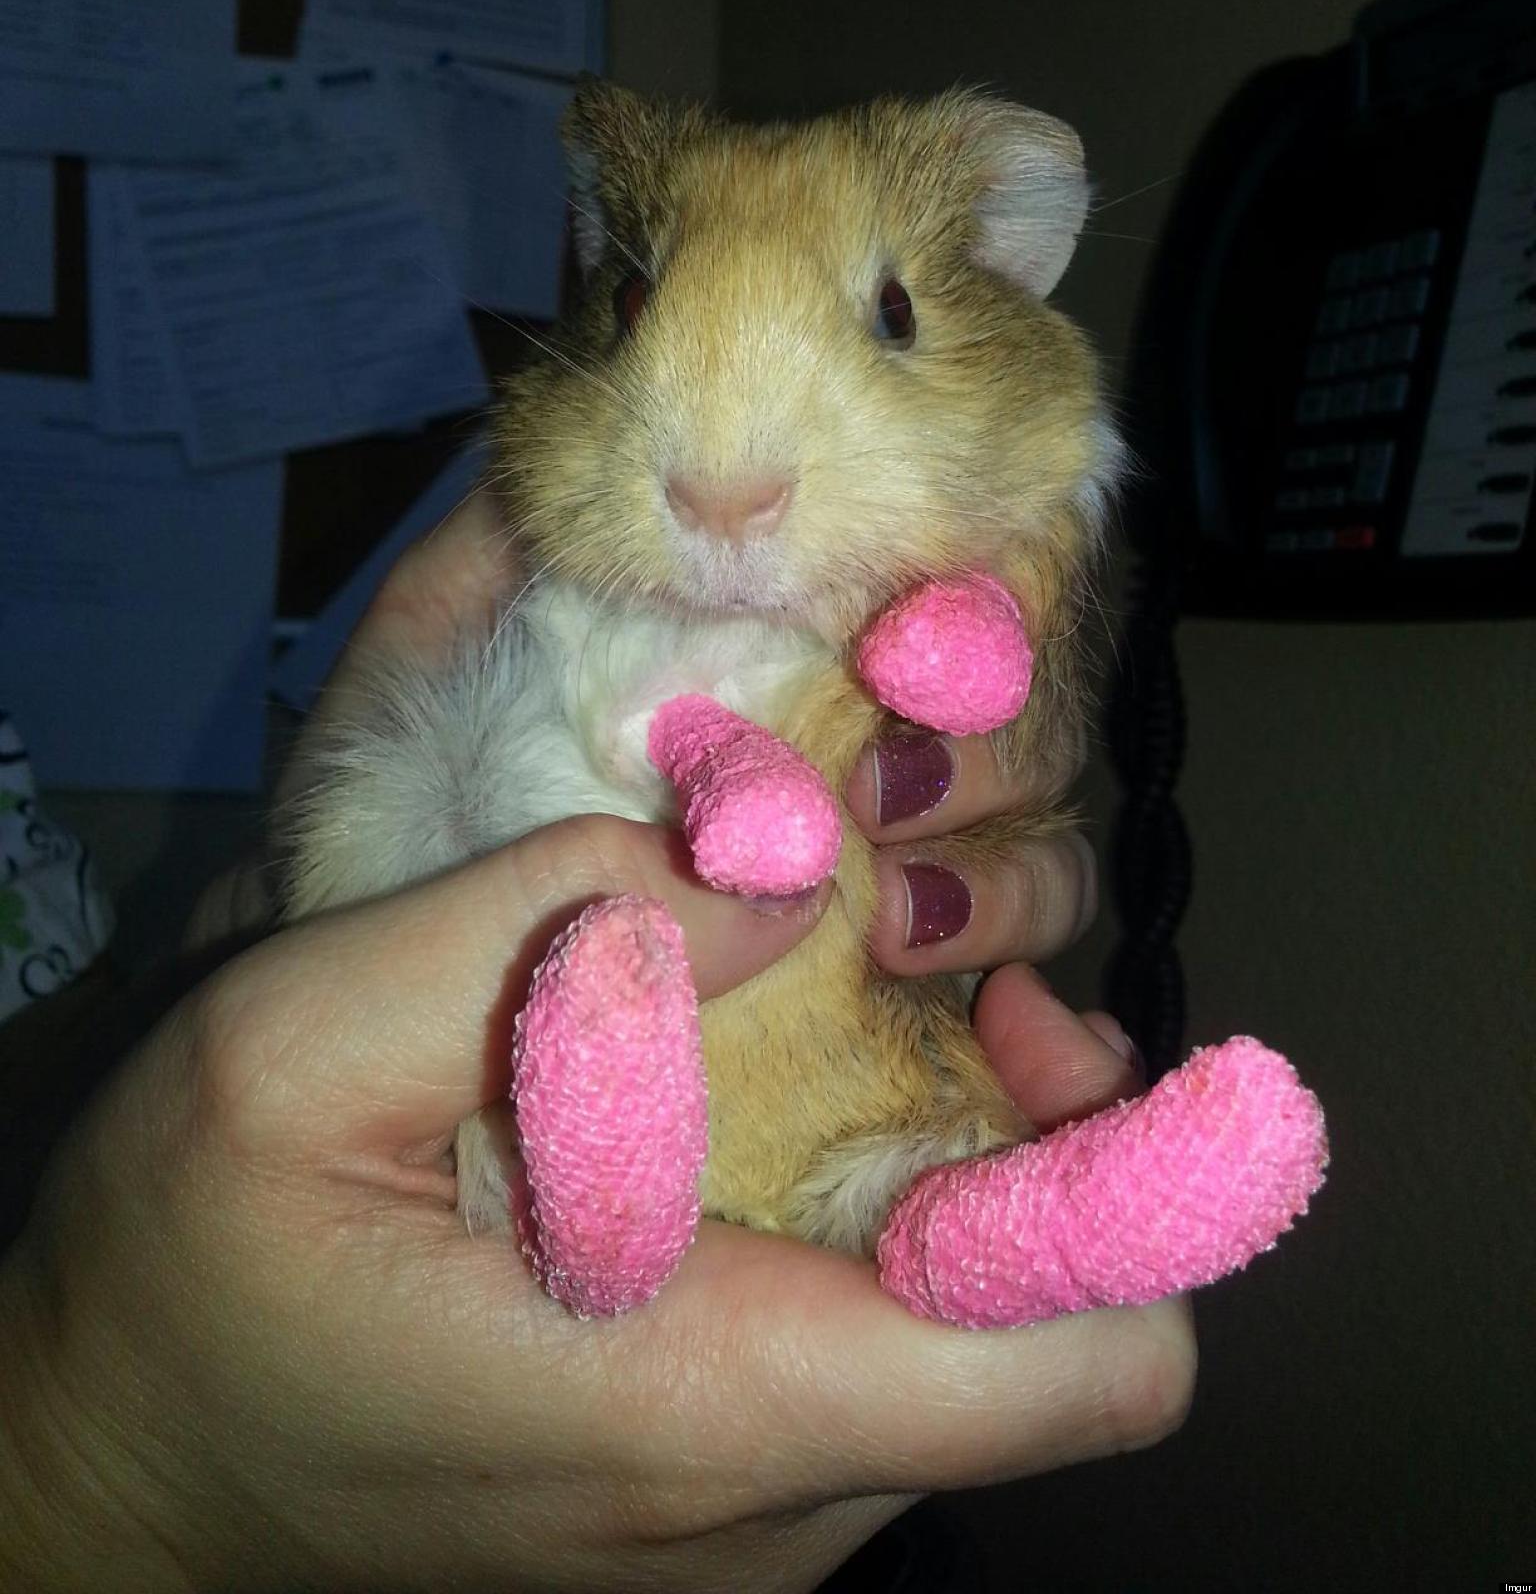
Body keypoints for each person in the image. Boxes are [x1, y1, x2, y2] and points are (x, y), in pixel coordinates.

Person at [0, 495, 1195, 1592]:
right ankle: (604, 1203)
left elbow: (45, 1028)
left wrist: (240, 951)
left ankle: (1014, 1221)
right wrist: (84, 1471)